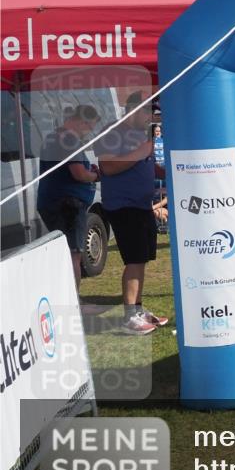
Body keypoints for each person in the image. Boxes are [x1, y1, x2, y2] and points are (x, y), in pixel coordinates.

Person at [96, 93, 169, 334]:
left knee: (143, 260)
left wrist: (170, 172)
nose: (151, 117)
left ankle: (138, 309)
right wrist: (142, 150)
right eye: (148, 111)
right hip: (123, 205)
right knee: (134, 260)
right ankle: (129, 316)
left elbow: (148, 167)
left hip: (141, 204)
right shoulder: (113, 131)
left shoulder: (142, 136)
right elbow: (107, 166)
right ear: (133, 110)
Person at [37, 105, 102, 288]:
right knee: (73, 254)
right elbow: (79, 173)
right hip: (68, 205)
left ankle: (67, 297)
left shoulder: (52, 137)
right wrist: (97, 176)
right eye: (90, 126)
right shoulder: (69, 140)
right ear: (81, 121)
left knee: (64, 253)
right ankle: (73, 301)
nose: (89, 131)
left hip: (53, 201)